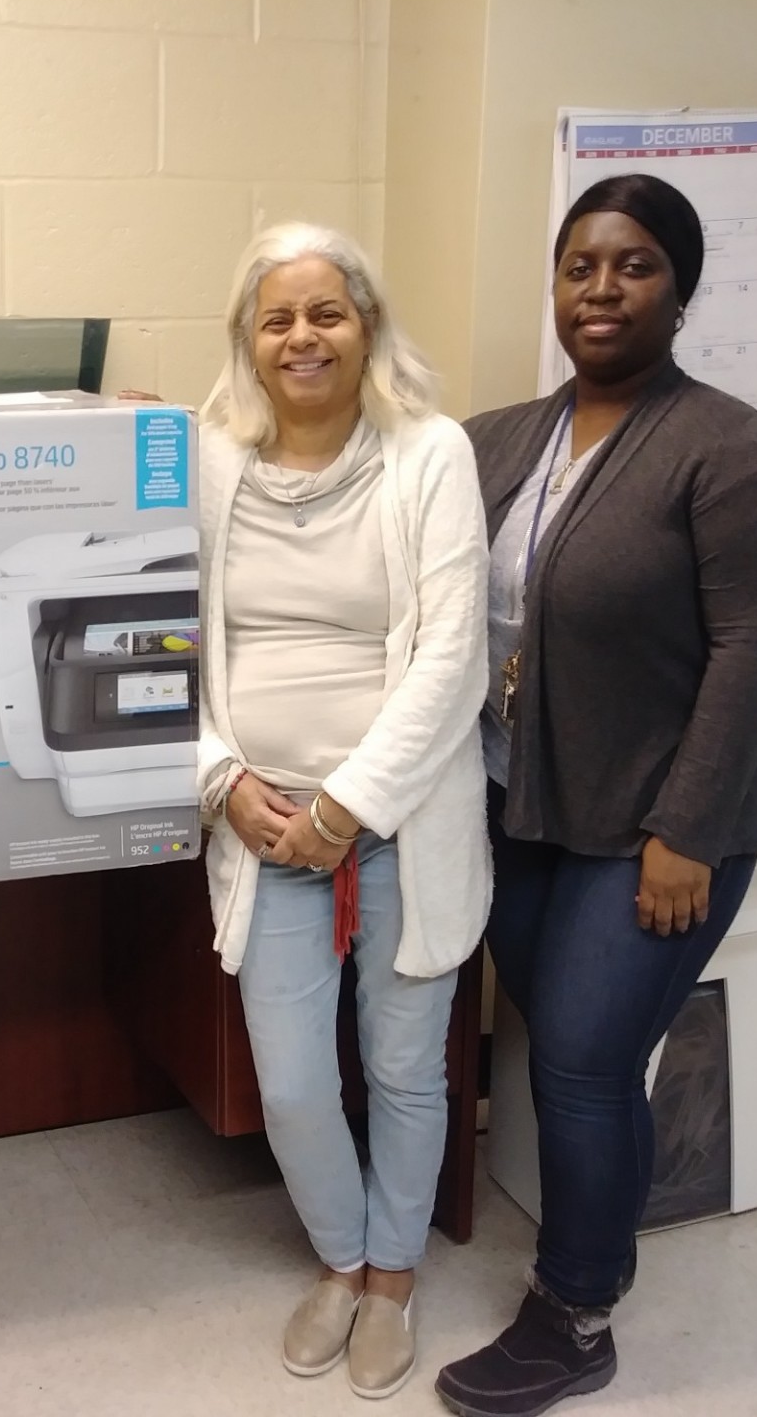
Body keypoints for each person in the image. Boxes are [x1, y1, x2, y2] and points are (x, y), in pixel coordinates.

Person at [433, 175, 757, 1417]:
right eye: (581, 265)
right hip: (518, 806)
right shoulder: (498, 439)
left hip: (656, 828)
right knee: (582, 1051)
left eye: (635, 265)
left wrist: (685, 833)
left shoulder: (725, 449)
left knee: (586, 1062)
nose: (601, 289)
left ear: (681, 291)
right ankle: (615, 1234)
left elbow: (752, 650)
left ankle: (577, 1311)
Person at [195, 223, 491, 1400]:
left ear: (367, 324)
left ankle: (394, 1279)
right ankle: (340, 1256)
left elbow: (453, 657)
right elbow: (154, 647)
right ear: (247, 339)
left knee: (408, 1066)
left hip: (402, 819)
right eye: (278, 318)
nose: (302, 337)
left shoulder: (431, 454)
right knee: (293, 1079)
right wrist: (222, 779)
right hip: (258, 827)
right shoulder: (205, 460)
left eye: (327, 313)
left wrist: (348, 807)